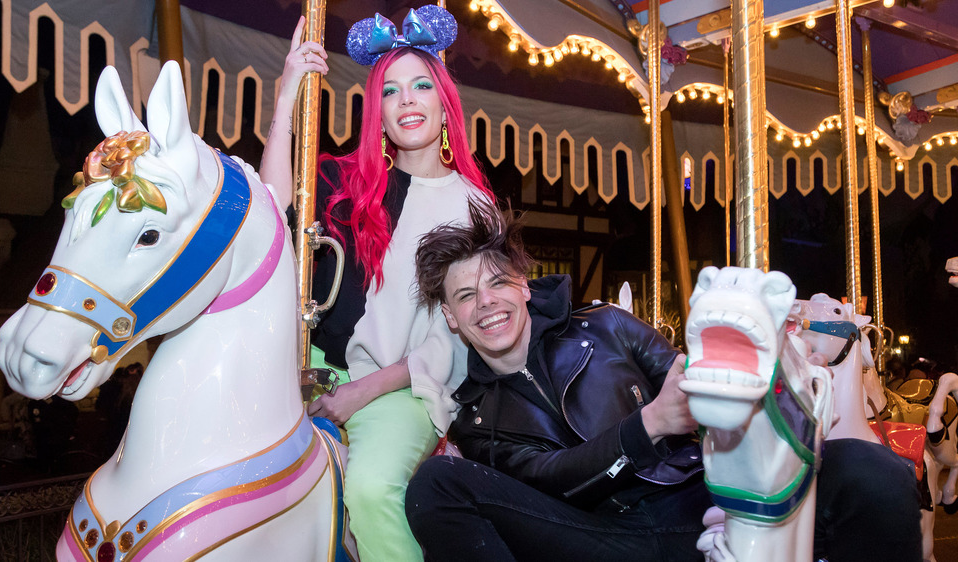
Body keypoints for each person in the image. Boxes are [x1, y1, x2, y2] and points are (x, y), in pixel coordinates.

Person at [406, 202, 923, 561]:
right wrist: (649, 422)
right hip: (602, 538)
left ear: (523, 287)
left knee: (870, 468)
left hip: (697, 497)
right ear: (452, 317)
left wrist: (716, 377)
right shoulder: (475, 415)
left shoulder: (605, 324)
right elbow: (550, 477)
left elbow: (681, 372)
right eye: (467, 295)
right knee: (436, 485)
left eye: (498, 282)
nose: (487, 302)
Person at [258, 6, 494, 561]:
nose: (406, 100)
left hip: (401, 388)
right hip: (314, 365)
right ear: (377, 112)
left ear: (443, 102)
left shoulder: (475, 207)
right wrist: (287, 94)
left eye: (419, 86)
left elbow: (455, 339)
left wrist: (361, 391)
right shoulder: (349, 181)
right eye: (390, 91)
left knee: (369, 489)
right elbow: (271, 212)